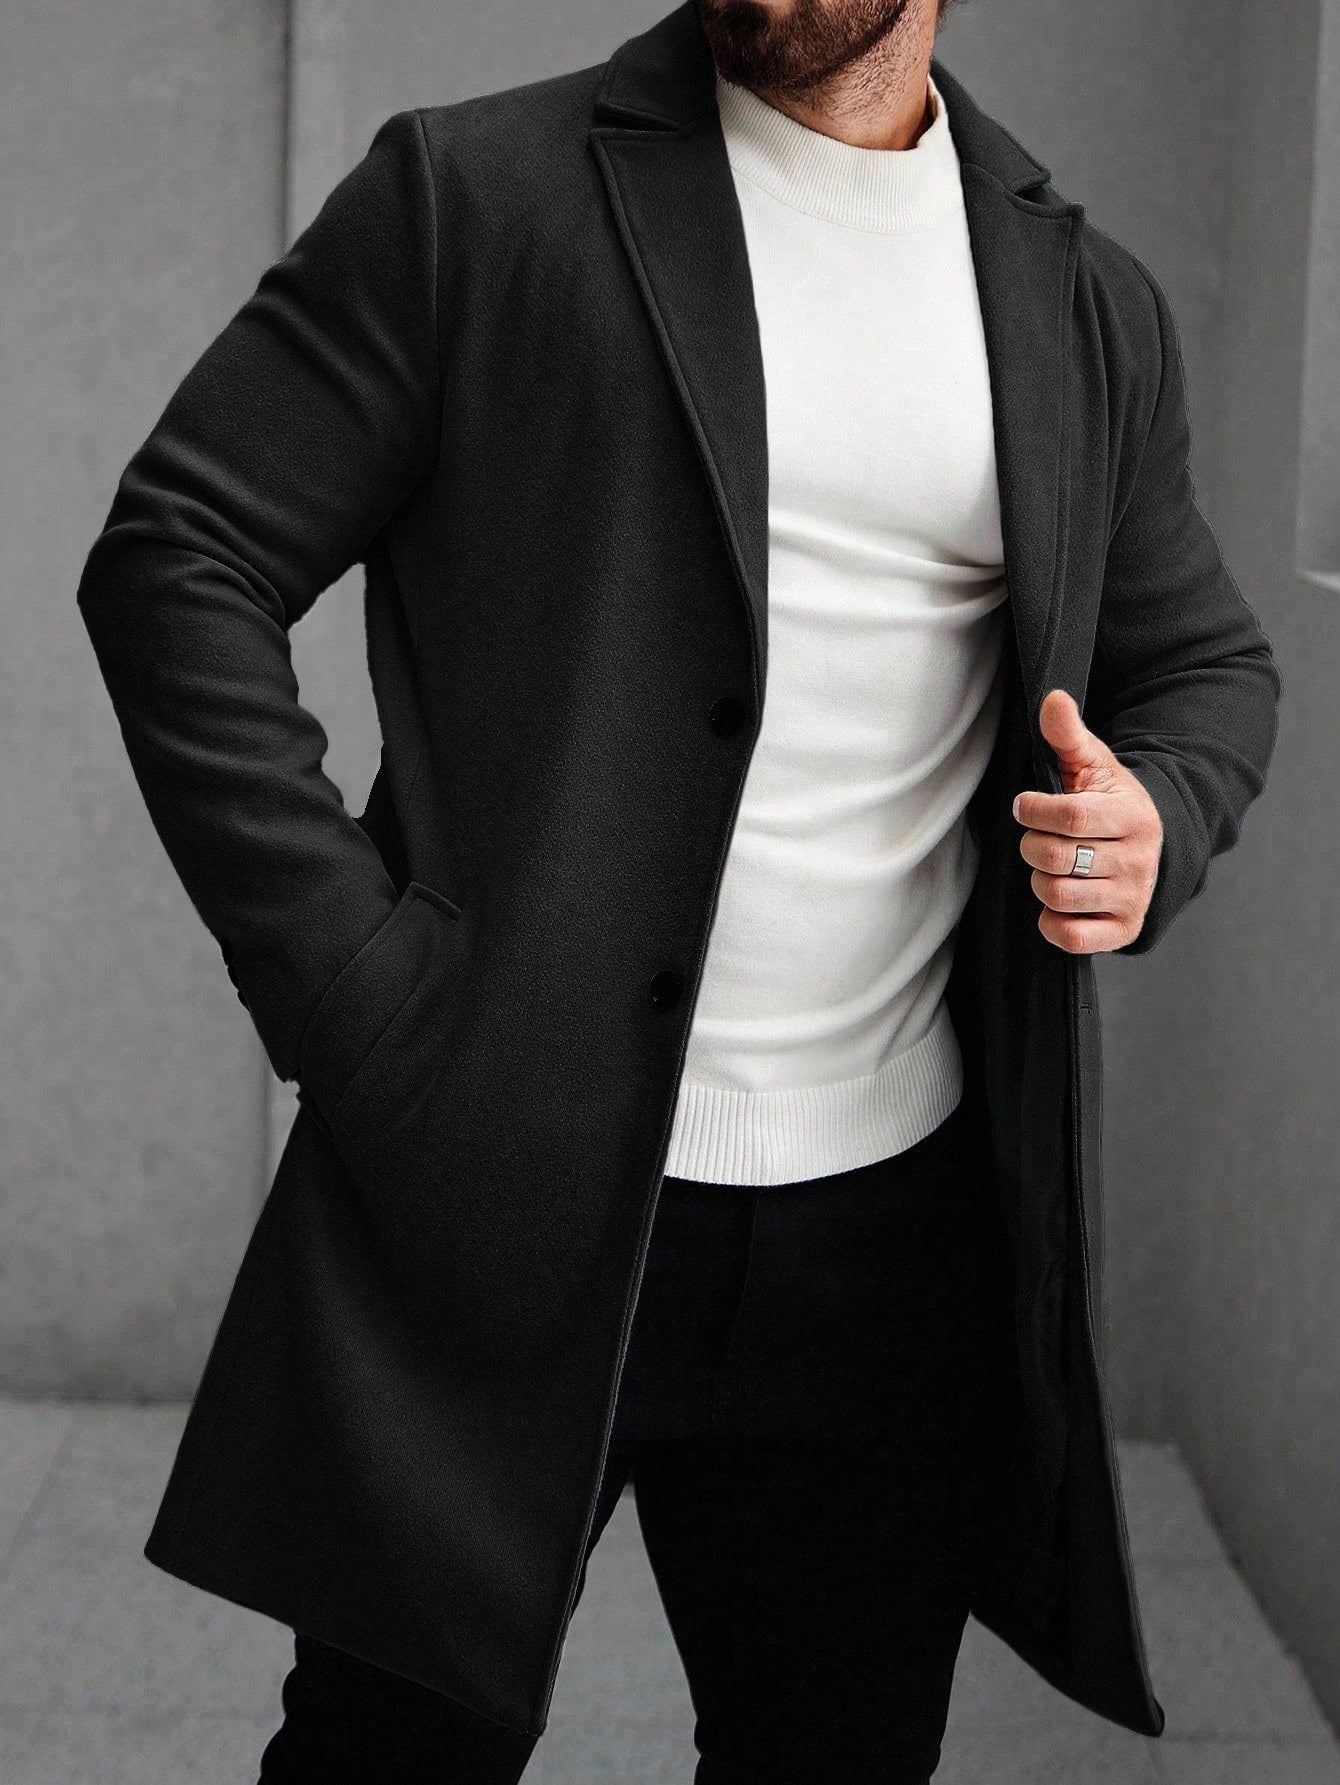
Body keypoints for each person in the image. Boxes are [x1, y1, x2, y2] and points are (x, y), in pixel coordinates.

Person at [74, 0, 1281, 1779]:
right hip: (500, 1173)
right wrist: (354, 990)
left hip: (890, 1230)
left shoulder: (1078, 297)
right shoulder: (474, 198)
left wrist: (1156, 815)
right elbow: (182, 550)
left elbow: (1207, 664)